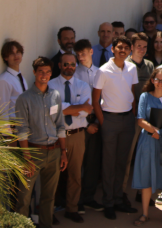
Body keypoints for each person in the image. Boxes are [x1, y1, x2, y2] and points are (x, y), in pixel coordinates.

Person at [14, 57, 68, 228]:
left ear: (51, 74)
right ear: (34, 73)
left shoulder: (56, 96)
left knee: (49, 196)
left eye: (47, 72)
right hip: (32, 153)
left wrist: (64, 152)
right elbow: (21, 130)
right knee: (24, 197)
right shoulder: (24, 98)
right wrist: (26, 157)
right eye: (41, 72)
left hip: (54, 152)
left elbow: (60, 124)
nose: (44, 75)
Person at [92, 37, 140, 219]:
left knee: (122, 162)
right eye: (120, 47)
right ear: (113, 49)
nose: (123, 50)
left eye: (126, 48)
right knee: (109, 163)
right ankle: (108, 202)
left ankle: (119, 199)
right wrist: (104, 122)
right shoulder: (103, 71)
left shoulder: (132, 68)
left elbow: (132, 94)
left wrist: (133, 115)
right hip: (109, 120)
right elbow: (95, 100)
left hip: (127, 120)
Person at [49, 53, 93, 223]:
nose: (69, 67)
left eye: (72, 64)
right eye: (66, 64)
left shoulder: (82, 85)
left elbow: (86, 111)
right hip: (54, 136)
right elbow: (53, 110)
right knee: (53, 176)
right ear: (59, 65)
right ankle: (49, 211)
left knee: (75, 174)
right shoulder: (51, 85)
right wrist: (79, 107)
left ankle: (72, 208)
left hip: (76, 136)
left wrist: (67, 108)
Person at [0, 40, 28, 123]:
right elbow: (2, 110)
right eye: (11, 53)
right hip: (13, 127)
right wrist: (7, 134)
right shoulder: (5, 80)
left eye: (18, 52)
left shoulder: (21, 77)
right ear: (5, 57)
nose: (16, 55)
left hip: (24, 126)